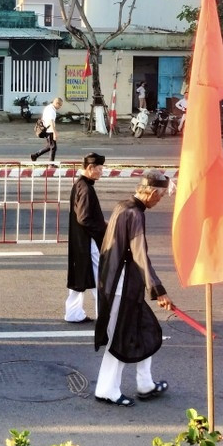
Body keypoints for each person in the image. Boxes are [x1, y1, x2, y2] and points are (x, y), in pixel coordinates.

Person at [93, 170, 173, 407]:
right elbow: (140, 256)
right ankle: (107, 390)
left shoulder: (123, 206)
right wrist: (158, 290)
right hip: (122, 285)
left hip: (119, 282)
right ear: (150, 192)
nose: (160, 201)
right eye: (159, 196)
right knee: (119, 338)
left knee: (146, 330)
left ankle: (145, 383)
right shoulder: (134, 213)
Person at [65, 153, 106, 324]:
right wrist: (103, 227)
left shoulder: (79, 185)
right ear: (90, 168)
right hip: (89, 241)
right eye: (100, 169)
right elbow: (84, 217)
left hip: (80, 239)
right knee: (100, 277)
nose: (101, 172)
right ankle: (104, 315)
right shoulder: (86, 189)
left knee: (80, 276)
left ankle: (73, 313)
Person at [32, 97, 63, 162]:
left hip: (48, 129)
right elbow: (51, 121)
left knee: (50, 146)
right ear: (57, 103)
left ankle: (35, 155)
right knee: (53, 147)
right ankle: (51, 164)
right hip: (50, 130)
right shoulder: (51, 110)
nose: (60, 107)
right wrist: (55, 132)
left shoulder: (49, 108)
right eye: (60, 105)